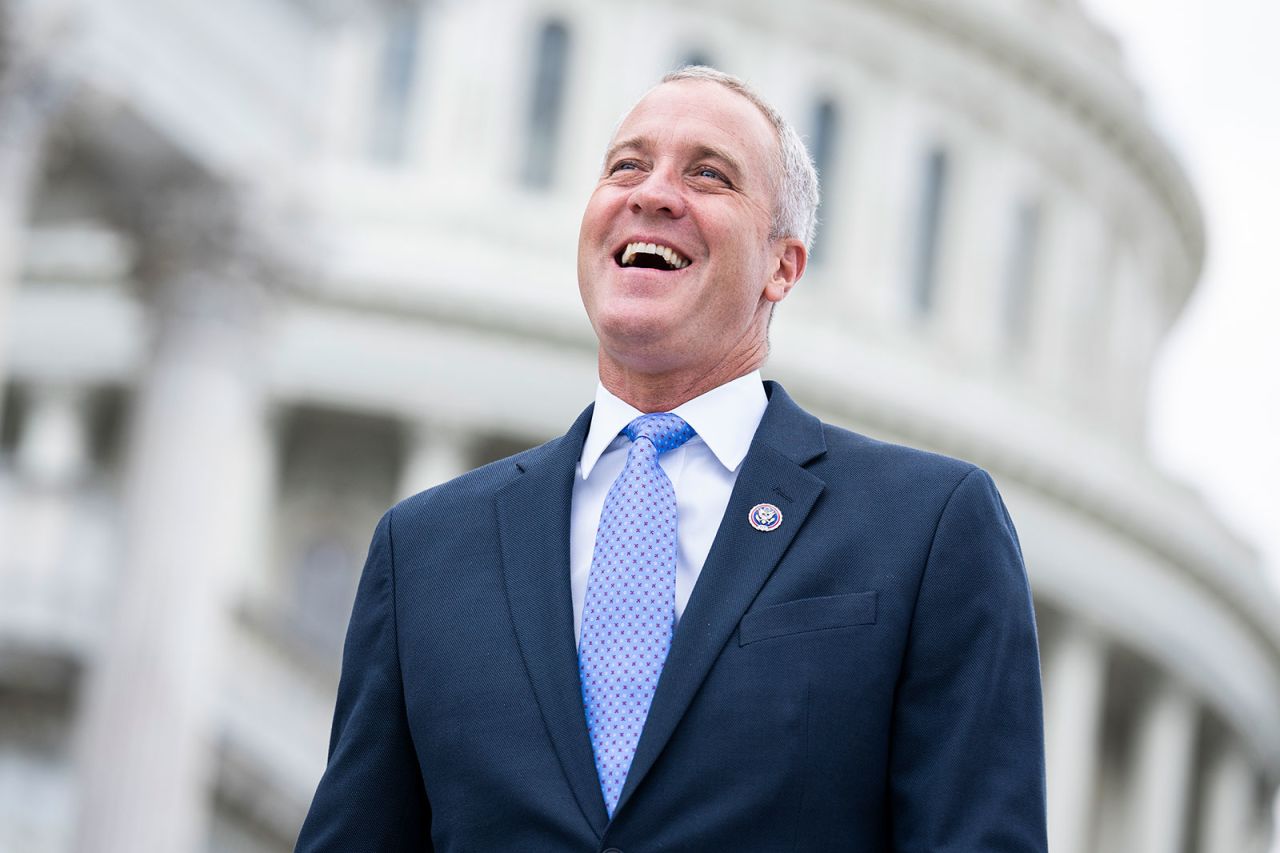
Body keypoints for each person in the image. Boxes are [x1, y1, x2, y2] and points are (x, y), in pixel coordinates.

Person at [296, 66, 1047, 852]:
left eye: (708, 174)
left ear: (782, 266)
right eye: (626, 166)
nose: (651, 194)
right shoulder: (425, 550)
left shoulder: (924, 527)